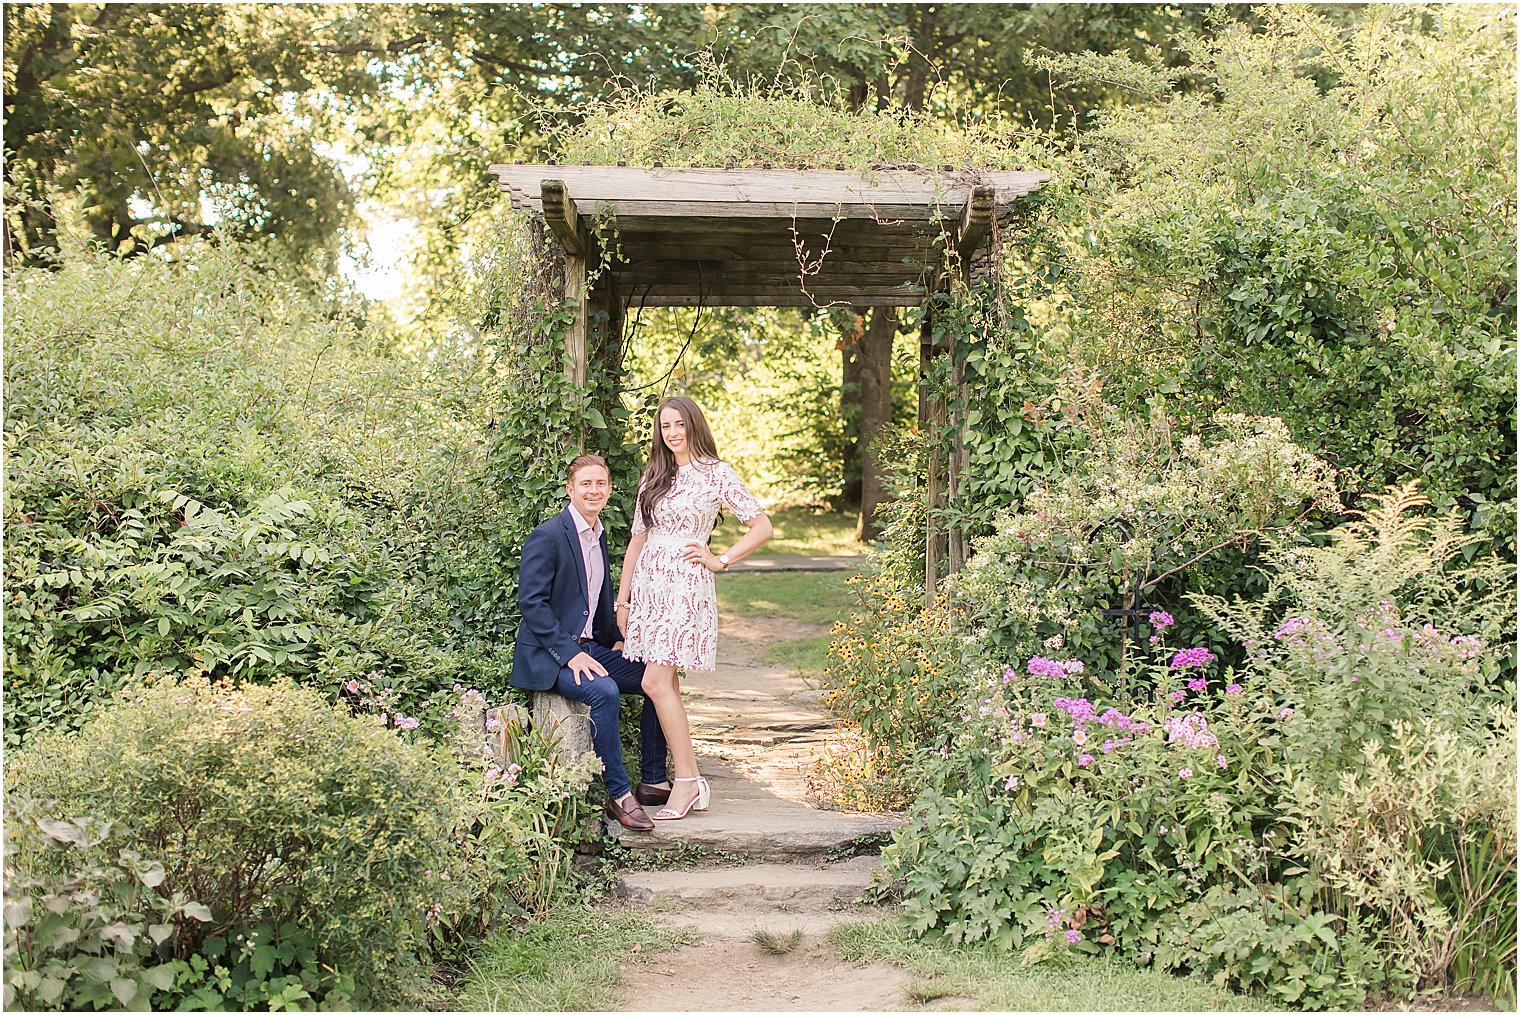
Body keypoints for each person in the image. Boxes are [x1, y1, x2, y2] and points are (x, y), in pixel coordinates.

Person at [616, 396, 774, 820]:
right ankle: (689, 779)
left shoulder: (716, 473)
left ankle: (686, 782)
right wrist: (623, 598)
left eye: (679, 424)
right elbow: (637, 539)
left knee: (654, 682)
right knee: (664, 683)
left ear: (693, 425)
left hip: (685, 585)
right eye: (665, 426)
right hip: (650, 586)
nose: (671, 432)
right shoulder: (654, 474)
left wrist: (720, 559)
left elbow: (762, 526)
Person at [510, 454, 668, 831]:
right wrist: (569, 655)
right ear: (570, 489)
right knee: (606, 692)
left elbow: (595, 599)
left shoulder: (598, 535)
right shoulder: (548, 535)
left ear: (609, 489)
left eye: (600, 484)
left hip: (592, 647)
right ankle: (619, 795)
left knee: (658, 680)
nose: (594, 490)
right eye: (586, 484)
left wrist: (615, 640)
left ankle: (653, 781)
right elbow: (531, 603)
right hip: (552, 656)